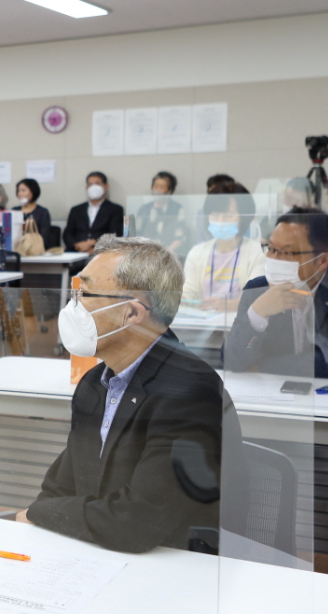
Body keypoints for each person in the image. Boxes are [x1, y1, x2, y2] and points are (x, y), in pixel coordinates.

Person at [17, 236, 232, 553]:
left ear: (131, 313)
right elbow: (60, 486)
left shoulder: (188, 391)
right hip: (102, 552)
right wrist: (45, 516)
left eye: (85, 293)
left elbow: (137, 523)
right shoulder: (96, 382)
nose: (72, 305)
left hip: (174, 568)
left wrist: (38, 513)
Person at [224, 208, 328, 380]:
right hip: (272, 395)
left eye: (288, 252)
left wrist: (261, 367)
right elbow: (231, 360)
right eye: (271, 248)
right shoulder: (258, 288)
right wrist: (257, 315)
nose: (274, 258)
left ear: (322, 260)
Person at [182, 189, 265, 312]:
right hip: (202, 323)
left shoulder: (257, 251)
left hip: (240, 323)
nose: (220, 221)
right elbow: (188, 292)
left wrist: (230, 305)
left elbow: (258, 296)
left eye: (228, 215)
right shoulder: (197, 252)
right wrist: (179, 299)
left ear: (243, 218)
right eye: (215, 215)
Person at [62, 171, 125, 253]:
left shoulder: (115, 209)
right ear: (86, 187)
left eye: (97, 184)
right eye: (90, 184)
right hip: (76, 251)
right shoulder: (76, 209)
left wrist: (92, 244)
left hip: (101, 252)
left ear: (106, 187)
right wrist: (77, 246)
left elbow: (115, 235)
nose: (93, 187)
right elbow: (68, 233)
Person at [131, 172, 189, 255]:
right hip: (145, 254)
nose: (157, 190)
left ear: (170, 190)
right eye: (155, 186)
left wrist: (164, 253)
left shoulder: (177, 209)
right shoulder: (144, 209)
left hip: (169, 254)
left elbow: (180, 238)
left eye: (162, 187)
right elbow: (137, 236)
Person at [14, 177, 55, 248]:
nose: (19, 194)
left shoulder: (42, 212)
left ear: (33, 192)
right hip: (17, 248)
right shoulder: (14, 211)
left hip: (35, 249)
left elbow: (44, 235)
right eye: (18, 191)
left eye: (23, 190)